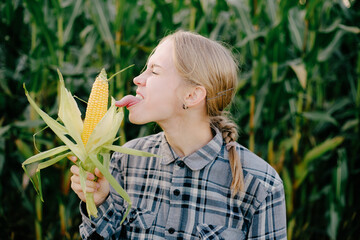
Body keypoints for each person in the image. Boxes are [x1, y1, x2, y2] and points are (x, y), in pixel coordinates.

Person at [70, 30, 287, 239]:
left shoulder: (261, 185)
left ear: (192, 95)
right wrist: (99, 201)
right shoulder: (125, 161)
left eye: (154, 71)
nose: (137, 78)